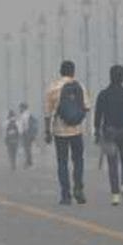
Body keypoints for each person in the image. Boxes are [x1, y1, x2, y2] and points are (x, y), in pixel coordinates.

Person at [44, 60, 91, 205]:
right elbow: (87, 107)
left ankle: (66, 195)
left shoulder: (53, 87)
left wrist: (47, 131)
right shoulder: (80, 86)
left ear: (61, 72)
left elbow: (47, 113)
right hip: (77, 130)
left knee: (62, 162)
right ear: (73, 72)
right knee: (78, 161)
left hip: (60, 131)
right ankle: (78, 188)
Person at [93, 65, 123, 206]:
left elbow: (98, 115)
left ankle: (115, 195)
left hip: (109, 132)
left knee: (112, 164)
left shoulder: (103, 94)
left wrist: (96, 131)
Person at [16, 103, 37, 168]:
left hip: (26, 133)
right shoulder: (29, 114)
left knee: (27, 148)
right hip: (29, 133)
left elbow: (22, 125)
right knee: (28, 148)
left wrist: (20, 133)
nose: (19, 109)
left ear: (23, 108)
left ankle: (29, 162)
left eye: (20, 107)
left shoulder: (24, 115)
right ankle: (29, 161)